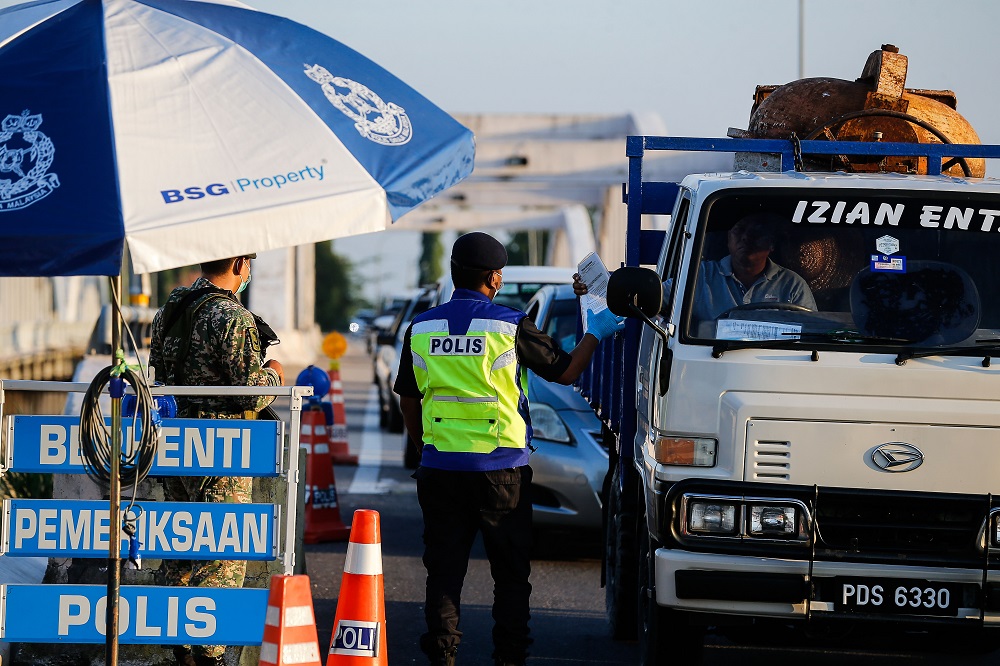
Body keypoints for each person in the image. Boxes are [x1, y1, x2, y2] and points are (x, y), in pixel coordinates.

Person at [393, 232, 623, 666]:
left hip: (440, 471)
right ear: (495, 278)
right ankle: (509, 659)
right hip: (502, 474)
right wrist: (595, 332)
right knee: (511, 576)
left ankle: (442, 655)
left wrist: (423, 448)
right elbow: (568, 371)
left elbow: (409, 396)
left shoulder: (420, 327)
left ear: (454, 272)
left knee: (444, 573)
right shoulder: (509, 325)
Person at [148, 254, 284, 666]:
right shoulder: (231, 316)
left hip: (172, 440)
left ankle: (182, 647)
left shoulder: (170, 307)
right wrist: (275, 373)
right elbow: (250, 392)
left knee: (181, 542)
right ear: (241, 263)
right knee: (222, 545)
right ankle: (210, 652)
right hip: (220, 445)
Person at [692, 213, 816, 322]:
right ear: (729, 239)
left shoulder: (793, 285)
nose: (746, 238)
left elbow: (810, 331)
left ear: (771, 244)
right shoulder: (698, 276)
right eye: (739, 230)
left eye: (756, 233)